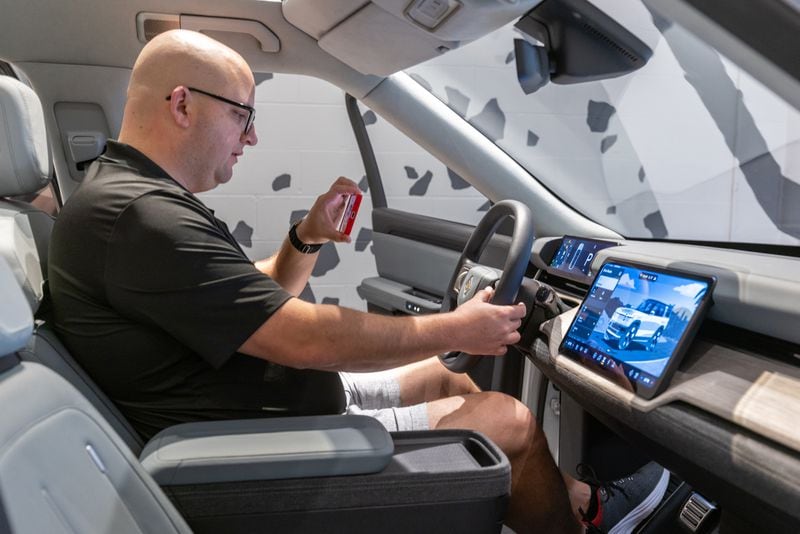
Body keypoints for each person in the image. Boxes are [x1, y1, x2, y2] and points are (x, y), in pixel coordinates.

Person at [48, 30, 668, 534]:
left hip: (280, 410)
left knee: (448, 375)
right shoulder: (138, 215)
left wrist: (307, 236)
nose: (253, 137)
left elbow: (256, 302)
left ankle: (583, 503)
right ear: (182, 104)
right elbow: (302, 339)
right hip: (264, 451)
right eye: (243, 116)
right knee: (509, 420)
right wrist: (457, 326)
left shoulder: (133, 201)